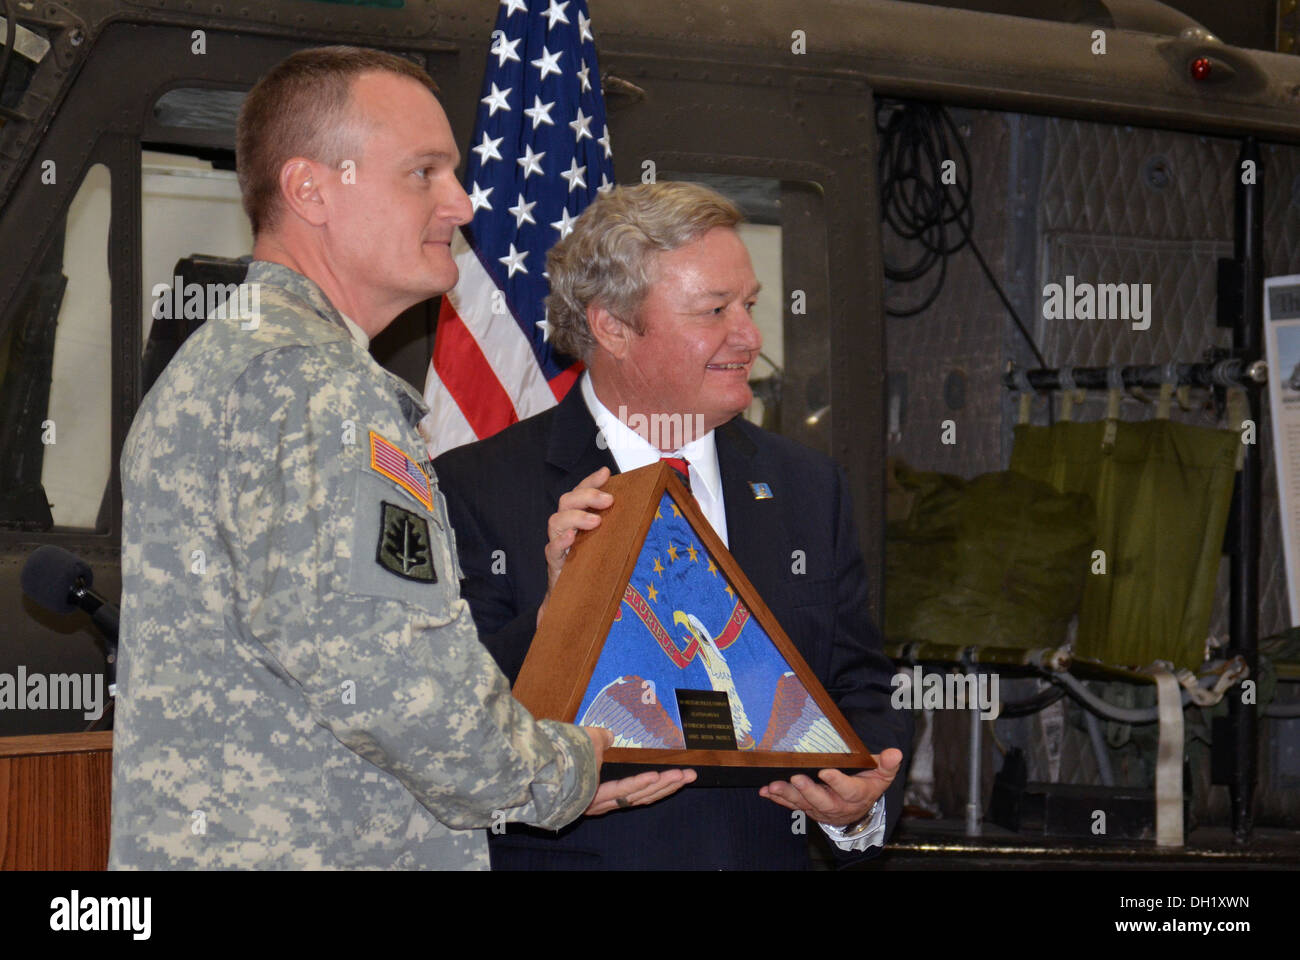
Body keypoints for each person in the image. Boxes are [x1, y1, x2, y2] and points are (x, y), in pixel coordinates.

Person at [109, 47, 689, 871]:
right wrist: (563, 768)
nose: (460, 202)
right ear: (311, 190)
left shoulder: (229, 362)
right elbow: (395, 682)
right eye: (424, 173)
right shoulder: (316, 385)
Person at [434, 181, 911, 870]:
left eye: (747, 305)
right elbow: (441, 715)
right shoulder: (475, 487)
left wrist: (859, 806)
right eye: (714, 310)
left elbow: (859, 684)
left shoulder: (809, 486)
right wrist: (558, 610)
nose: (749, 337)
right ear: (613, 328)